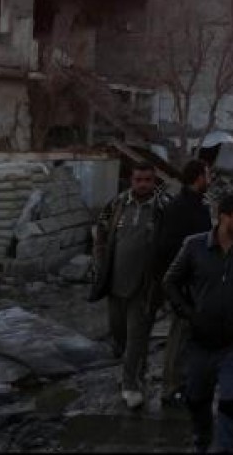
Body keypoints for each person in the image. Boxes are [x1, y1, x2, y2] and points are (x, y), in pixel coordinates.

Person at [162, 194, 233, 453]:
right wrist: (189, 314)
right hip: (200, 342)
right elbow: (170, 282)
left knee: (230, 402)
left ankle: (227, 448)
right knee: (196, 398)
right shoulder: (194, 246)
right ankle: (202, 437)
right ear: (224, 217)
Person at [90, 162, 172, 409]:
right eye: (139, 179)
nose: (143, 184)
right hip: (115, 282)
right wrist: (100, 261)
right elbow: (101, 231)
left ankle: (130, 385)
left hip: (145, 286)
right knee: (120, 334)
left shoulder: (164, 207)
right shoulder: (117, 204)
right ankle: (139, 370)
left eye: (148, 180)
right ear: (131, 180)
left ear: (154, 181)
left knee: (137, 335)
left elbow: (172, 242)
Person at [155, 159, 214, 405]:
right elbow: (167, 249)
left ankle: (184, 383)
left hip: (196, 283)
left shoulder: (197, 205)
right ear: (199, 177)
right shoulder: (179, 208)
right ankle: (171, 389)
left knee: (189, 336)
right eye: (208, 174)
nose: (210, 179)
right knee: (179, 336)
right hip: (184, 285)